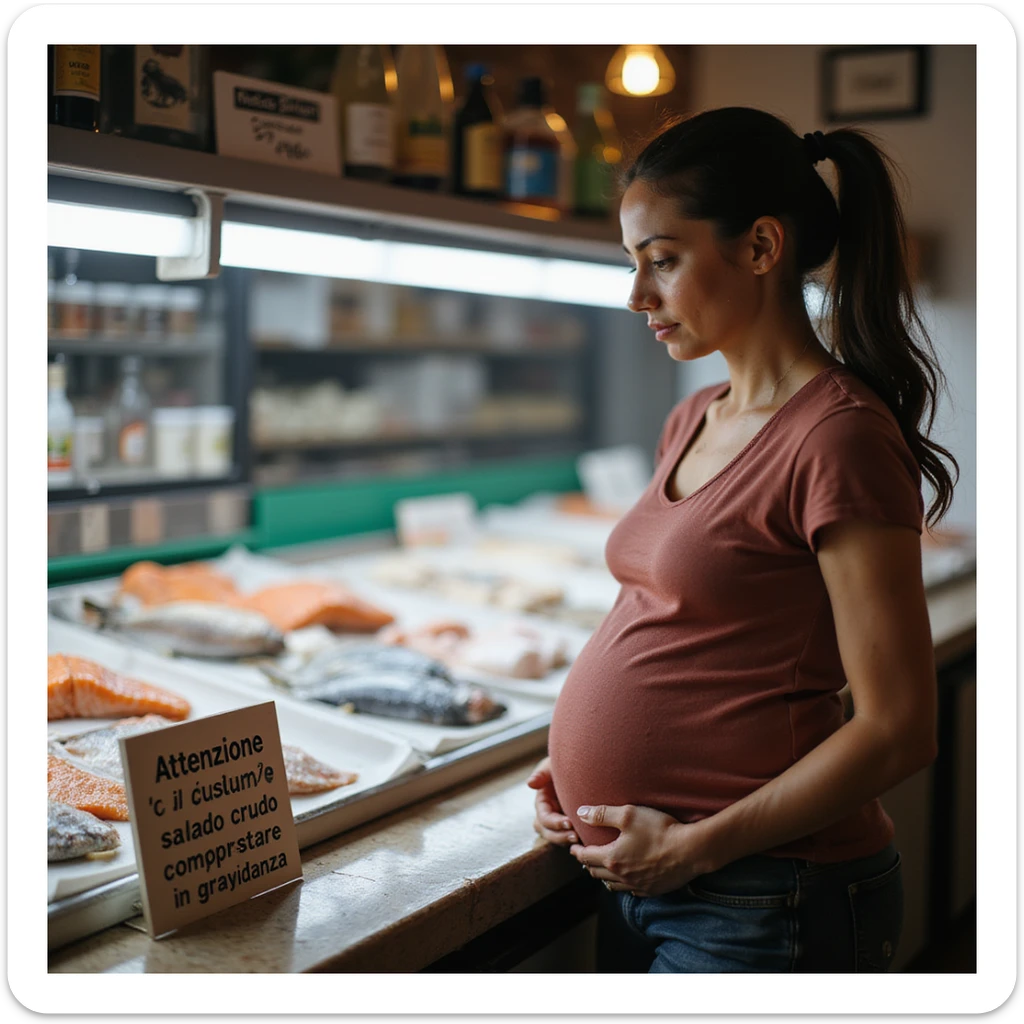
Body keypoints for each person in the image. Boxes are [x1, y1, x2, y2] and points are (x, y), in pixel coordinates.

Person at [528, 107, 959, 973]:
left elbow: (900, 729)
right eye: (631, 264)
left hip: (765, 896)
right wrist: (565, 771)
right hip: (654, 880)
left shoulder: (838, 435)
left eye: (662, 261)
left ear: (762, 247)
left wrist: (698, 848)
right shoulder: (695, 415)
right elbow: (672, 621)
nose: (636, 296)